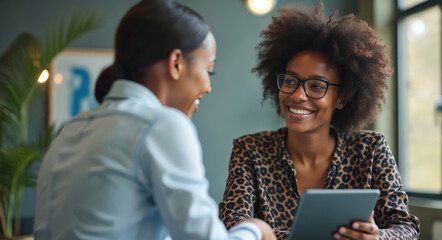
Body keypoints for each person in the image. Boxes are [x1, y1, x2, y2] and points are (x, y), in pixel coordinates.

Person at [34, 0, 276, 239]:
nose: (208, 86)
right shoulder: (162, 125)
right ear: (176, 63)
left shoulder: (70, 130)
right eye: (208, 70)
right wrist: (256, 228)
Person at [218, 3, 420, 240]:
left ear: (342, 97)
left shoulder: (371, 150)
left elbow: (406, 228)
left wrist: (377, 238)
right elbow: (233, 227)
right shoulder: (250, 151)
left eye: (316, 86)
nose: (297, 95)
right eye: (290, 81)